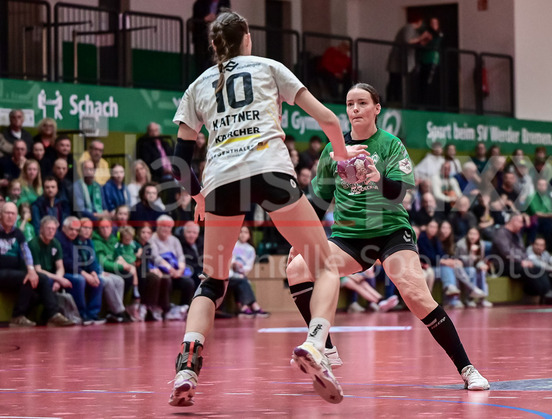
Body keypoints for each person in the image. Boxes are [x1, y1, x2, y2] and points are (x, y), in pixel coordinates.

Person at [168, 10, 364, 407]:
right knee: (324, 265)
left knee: (213, 282)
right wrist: (342, 156)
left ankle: (187, 367)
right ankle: (315, 344)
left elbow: (178, 161)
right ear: (247, 38)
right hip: (270, 172)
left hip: (221, 180)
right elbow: (328, 119)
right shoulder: (267, 67)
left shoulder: (197, 86)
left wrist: (198, 196)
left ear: (214, 46)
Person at [286, 83, 489, 394]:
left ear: (376, 108)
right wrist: (299, 238)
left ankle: (467, 368)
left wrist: (378, 179)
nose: (355, 109)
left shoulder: (391, 145)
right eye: (350, 104)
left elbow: (399, 194)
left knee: (417, 297)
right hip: (349, 238)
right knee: (297, 268)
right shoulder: (332, 150)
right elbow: (318, 202)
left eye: (362, 103)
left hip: (391, 233)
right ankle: (325, 349)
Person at [0, 203, 73, 327]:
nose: (10, 216)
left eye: (13, 213)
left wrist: (31, 270)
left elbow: (26, 253)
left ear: (17, 216)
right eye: (7, 213)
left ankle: (53, 314)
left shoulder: (18, 233)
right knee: (27, 278)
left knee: (42, 278)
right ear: (1, 215)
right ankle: (17, 316)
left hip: (14, 272)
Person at [490, 214, 552, 304]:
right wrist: (522, 261)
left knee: (551, 273)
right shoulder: (501, 233)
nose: (522, 225)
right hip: (504, 266)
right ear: (513, 221)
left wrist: (527, 261)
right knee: (532, 270)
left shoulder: (517, 234)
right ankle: (546, 293)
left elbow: (523, 251)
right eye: (521, 222)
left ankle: (549, 295)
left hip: (519, 264)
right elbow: (506, 252)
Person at [57, 216, 106, 325]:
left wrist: (93, 273)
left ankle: (93, 314)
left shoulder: (86, 241)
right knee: (79, 280)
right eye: (71, 229)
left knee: (99, 280)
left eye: (76, 230)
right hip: (65, 272)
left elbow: (92, 260)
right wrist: (84, 274)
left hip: (78, 271)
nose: (74, 232)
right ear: (64, 228)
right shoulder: (61, 240)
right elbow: (67, 263)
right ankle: (81, 314)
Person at [227, 225, 270, 317]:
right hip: (230, 274)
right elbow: (229, 261)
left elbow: (248, 267)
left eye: (246, 232)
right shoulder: (233, 245)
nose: (243, 234)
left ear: (249, 235)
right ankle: (254, 306)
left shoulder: (250, 249)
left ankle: (244, 307)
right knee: (243, 281)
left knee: (243, 280)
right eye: (241, 232)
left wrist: (241, 270)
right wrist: (234, 264)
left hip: (241, 274)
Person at [386, 14, 427, 104]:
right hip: (399, 61)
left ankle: (403, 101)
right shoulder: (408, 28)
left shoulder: (415, 31)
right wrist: (421, 37)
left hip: (406, 62)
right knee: (395, 83)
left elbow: (417, 42)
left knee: (402, 83)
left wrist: (424, 39)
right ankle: (393, 102)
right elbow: (408, 40)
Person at [455, 227, 492, 308]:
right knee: (472, 271)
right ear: (467, 235)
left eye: (475, 234)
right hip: (463, 268)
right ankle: (469, 299)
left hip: (474, 266)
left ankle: (483, 298)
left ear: (478, 236)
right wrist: (471, 253)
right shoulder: (461, 244)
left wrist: (481, 265)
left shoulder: (481, 244)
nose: (472, 236)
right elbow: (461, 261)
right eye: (470, 234)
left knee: (482, 271)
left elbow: (480, 259)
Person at [191, 0, 230, 74]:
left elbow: (227, 18)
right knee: (202, 65)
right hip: (202, 41)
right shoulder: (199, 4)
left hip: (219, 39)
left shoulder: (224, 2)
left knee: (218, 63)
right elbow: (194, 21)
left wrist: (217, 19)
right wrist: (204, 19)